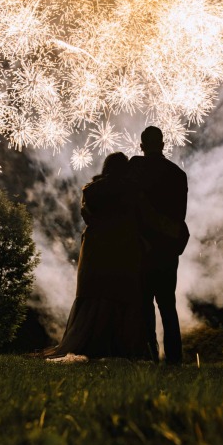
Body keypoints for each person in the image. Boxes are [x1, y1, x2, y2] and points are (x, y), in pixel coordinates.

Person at [43, 152, 149, 360]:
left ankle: (88, 340)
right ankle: (119, 344)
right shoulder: (132, 190)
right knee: (118, 293)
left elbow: (88, 217)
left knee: (95, 292)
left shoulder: (91, 190)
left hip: (95, 248)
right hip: (123, 248)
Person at [128, 126, 188, 364]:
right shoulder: (177, 174)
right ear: (163, 145)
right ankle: (174, 359)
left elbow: (128, 208)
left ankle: (149, 356)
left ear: (141, 146)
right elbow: (179, 215)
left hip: (141, 248)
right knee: (167, 305)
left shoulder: (135, 169)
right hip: (167, 248)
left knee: (144, 306)